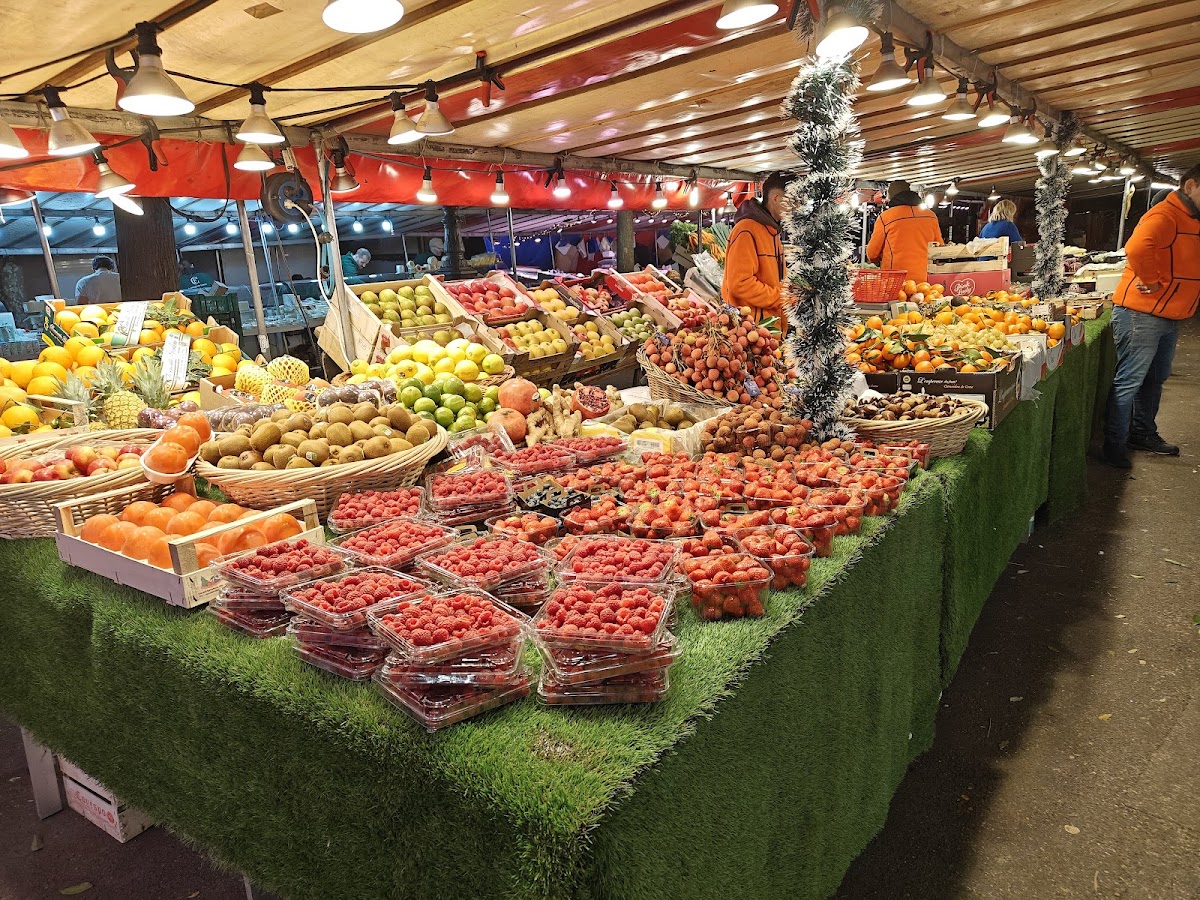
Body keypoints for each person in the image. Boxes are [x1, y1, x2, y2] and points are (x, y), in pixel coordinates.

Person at [1101, 161, 1200, 467]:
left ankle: (1142, 433)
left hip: (1169, 313)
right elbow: (1136, 247)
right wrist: (1152, 280)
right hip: (1141, 313)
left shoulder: (1192, 218)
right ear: (1191, 185)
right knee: (1130, 380)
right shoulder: (1165, 214)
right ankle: (1114, 445)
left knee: (1155, 378)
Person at [723, 171, 791, 330]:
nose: (798, 207)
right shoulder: (747, 230)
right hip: (752, 332)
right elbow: (740, 283)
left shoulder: (772, 231)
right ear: (776, 199)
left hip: (770, 330)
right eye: (795, 201)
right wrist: (780, 297)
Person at [866, 180, 943, 283]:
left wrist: (879, 260)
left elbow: (872, 253)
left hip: (895, 281)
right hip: (926, 279)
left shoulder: (886, 217)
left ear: (891, 197)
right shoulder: (931, 216)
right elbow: (940, 248)